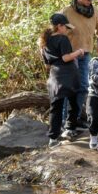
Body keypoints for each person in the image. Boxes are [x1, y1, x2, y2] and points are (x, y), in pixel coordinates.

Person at [60, 0, 98, 130]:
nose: (91, 1)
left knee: (83, 86)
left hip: (85, 55)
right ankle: (64, 122)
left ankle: (74, 118)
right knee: (69, 88)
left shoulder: (94, 12)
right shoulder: (66, 13)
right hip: (69, 56)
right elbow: (54, 34)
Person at [41, 13, 84, 146]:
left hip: (54, 76)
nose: (67, 30)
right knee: (74, 101)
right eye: (66, 27)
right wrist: (78, 52)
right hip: (68, 74)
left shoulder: (44, 41)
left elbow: (47, 64)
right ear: (59, 26)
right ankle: (69, 128)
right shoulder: (62, 39)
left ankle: (53, 138)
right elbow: (66, 58)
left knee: (56, 107)